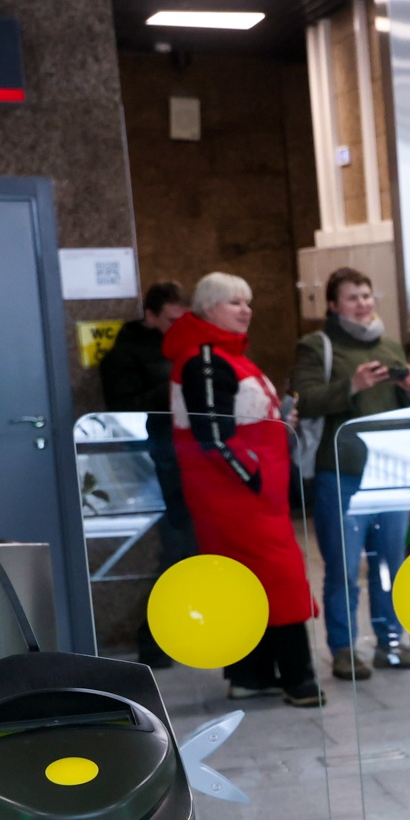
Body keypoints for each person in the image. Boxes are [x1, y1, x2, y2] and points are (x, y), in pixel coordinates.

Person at [164, 272, 323, 707]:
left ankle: (252, 675)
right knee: (279, 579)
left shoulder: (225, 355)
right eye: (234, 302)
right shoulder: (205, 358)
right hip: (235, 498)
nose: (246, 310)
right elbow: (213, 435)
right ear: (209, 307)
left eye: (247, 302)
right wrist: (253, 475)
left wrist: (277, 424)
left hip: (251, 495)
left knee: (250, 581)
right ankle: (298, 678)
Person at [292, 267, 410, 681]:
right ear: (333, 305)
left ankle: (390, 642)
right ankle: (345, 648)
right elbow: (305, 400)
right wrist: (352, 385)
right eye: (353, 297)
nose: (363, 304)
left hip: (389, 474)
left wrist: (409, 390)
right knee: (344, 567)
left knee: (390, 564)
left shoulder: (389, 345)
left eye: (367, 295)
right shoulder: (317, 347)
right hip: (341, 474)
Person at [100, 281, 194, 665]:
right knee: (178, 550)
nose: (178, 327)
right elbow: (123, 411)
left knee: (186, 550)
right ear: (150, 316)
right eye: (171, 320)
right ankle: (154, 639)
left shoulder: (185, 349)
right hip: (155, 463)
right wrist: (172, 388)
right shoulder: (124, 356)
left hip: (183, 458)